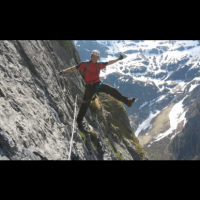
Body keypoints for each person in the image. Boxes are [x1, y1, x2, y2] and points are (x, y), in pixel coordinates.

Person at [59, 50, 135, 129]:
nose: (95, 58)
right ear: (91, 56)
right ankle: (79, 121)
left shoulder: (99, 65)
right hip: (90, 87)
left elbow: (109, 62)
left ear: (98, 58)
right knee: (85, 104)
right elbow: (74, 68)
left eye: (96, 57)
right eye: (94, 57)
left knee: (112, 90)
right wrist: (64, 71)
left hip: (98, 84)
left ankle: (127, 101)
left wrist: (118, 59)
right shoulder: (84, 64)